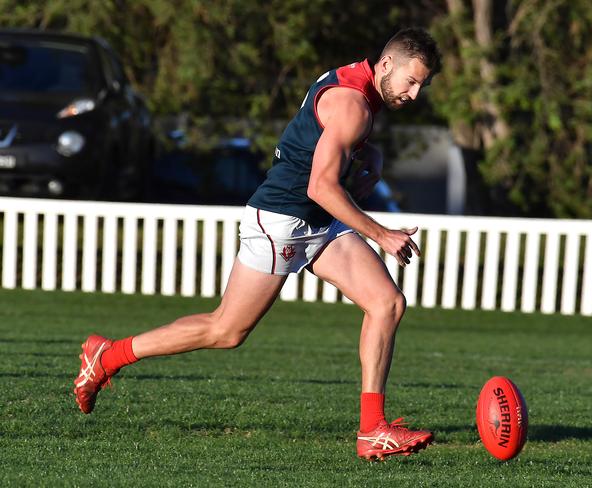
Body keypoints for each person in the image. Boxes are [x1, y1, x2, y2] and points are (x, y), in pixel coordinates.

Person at [74, 27, 442, 461]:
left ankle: (372, 430)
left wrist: (371, 156)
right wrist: (382, 233)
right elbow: (321, 186)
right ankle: (107, 355)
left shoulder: (357, 84)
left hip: (318, 222)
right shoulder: (354, 104)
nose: (414, 93)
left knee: (386, 303)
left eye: (423, 84)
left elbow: (324, 141)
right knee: (226, 330)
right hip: (282, 221)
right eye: (411, 81)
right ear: (386, 65)